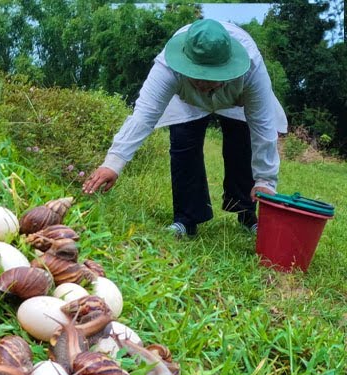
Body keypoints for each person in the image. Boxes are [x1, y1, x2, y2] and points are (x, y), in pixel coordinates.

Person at [82, 19, 287, 237]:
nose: (203, 84)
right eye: (197, 75)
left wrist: (266, 180)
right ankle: (186, 220)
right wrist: (113, 163)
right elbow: (143, 116)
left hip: (236, 98)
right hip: (187, 100)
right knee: (183, 143)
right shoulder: (167, 67)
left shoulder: (251, 67)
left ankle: (246, 214)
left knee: (242, 144)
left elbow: (263, 126)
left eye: (210, 77)